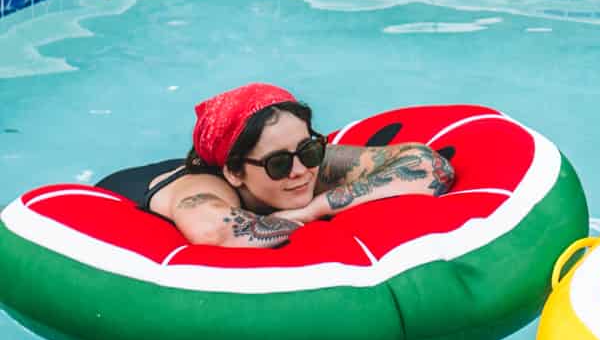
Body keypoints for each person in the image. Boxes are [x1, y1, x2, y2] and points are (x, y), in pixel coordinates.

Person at [98, 83, 455, 249]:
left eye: (310, 150)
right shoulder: (206, 187)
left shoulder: (309, 164)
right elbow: (213, 232)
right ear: (235, 172)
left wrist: (319, 206)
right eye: (278, 163)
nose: (300, 171)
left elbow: (429, 166)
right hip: (116, 198)